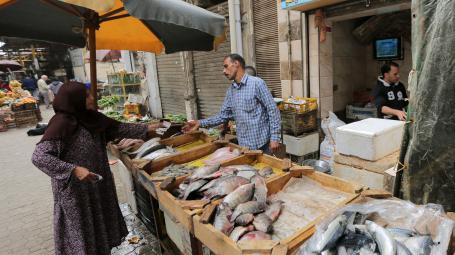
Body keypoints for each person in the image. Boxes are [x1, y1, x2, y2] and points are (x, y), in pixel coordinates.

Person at [32, 82, 161, 255]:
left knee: (100, 231)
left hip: (97, 187)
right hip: (76, 195)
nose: (93, 98)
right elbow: (40, 157)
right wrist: (74, 169)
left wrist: (151, 127)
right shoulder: (61, 123)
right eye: (88, 96)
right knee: (82, 237)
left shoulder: (92, 118)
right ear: (76, 100)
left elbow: (120, 128)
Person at [183, 54, 281, 153]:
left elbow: (273, 110)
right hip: (243, 146)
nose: (223, 71)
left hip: (262, 144)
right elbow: (223, 116)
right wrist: (200, 123)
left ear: (236, 64)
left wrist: (275, 138)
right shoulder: (231, 91)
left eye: (226, 66)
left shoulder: (257, 83)